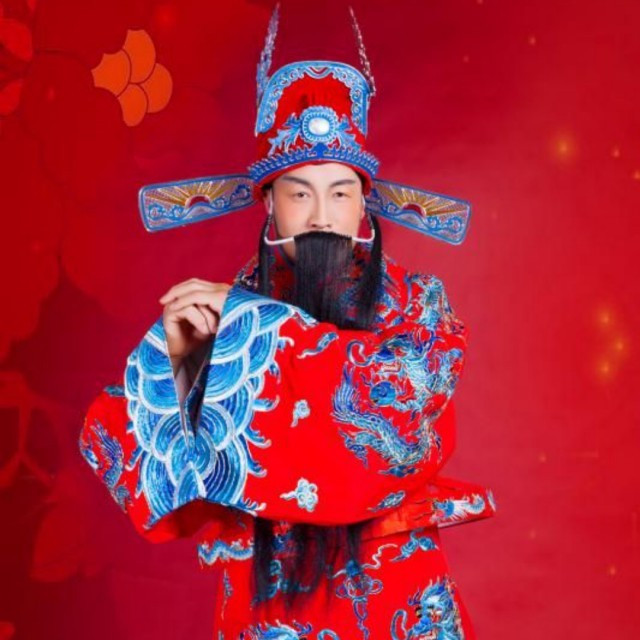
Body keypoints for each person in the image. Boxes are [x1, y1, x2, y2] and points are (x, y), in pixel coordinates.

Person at [79, 6, 496, 638]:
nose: (321, 214)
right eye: (299, 193)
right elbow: (135, 458)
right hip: (266, 600)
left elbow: (394, 418)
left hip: (396, 597)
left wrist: (247, 330)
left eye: (340, 192)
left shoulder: (418, 307)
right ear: (268, 204)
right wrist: (182, 369)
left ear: (365, 203)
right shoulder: (218, 313)